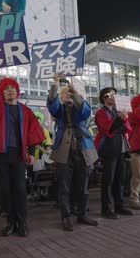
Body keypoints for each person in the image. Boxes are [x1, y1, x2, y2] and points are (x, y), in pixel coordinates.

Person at [0, 66, 45, 237]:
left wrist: (31, 152)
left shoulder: (26, 111)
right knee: (5, 189)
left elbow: (33, 132)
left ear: (17, 91)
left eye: (12, 88)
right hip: (0, 154)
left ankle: (22, 223)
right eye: (6, 89)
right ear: (2, 93)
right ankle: (10, 222)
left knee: (20, 188)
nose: (9, 91)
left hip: (18, 154)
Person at [47, 74, 99, 231]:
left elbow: (86, 111)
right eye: (65, 93)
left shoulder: (81, 108)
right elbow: (52, 104)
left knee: (83, 185)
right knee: (64, 186)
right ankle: (66, 217)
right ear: (61, 97)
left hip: (84, 149)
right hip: (64, 150)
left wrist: (74, 91)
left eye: (70, 93)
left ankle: (82, 214)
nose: (68, 94)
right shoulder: (59, 110)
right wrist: (56, 84)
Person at [94, 87, 134, 219]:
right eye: (110, 94)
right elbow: (107, 129)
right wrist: (119, 123)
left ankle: (119, 205)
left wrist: (120, 122)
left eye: (114, 94)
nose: (113, 96)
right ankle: (106, 208)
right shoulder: (100, 113)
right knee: (108, 180)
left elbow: (127, 128)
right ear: (103, 97)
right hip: (109, 149)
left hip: (121, 148)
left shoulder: (118, 112)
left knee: (120, 179)